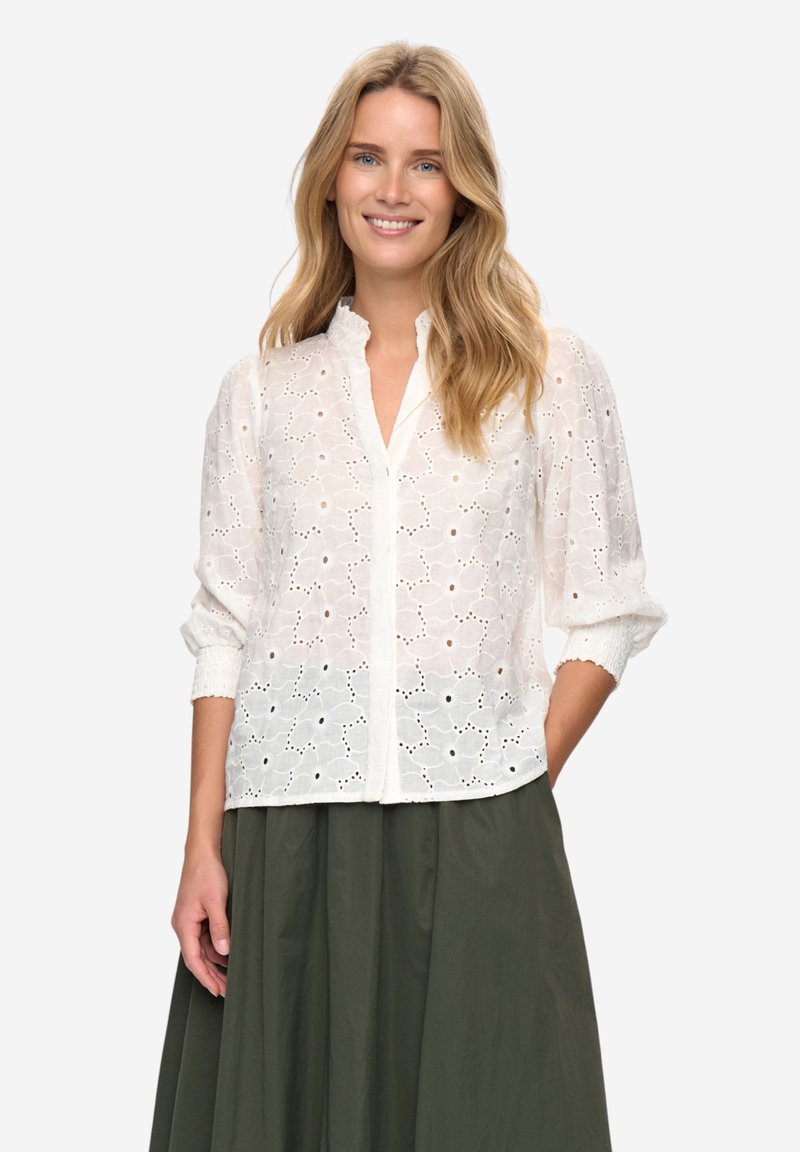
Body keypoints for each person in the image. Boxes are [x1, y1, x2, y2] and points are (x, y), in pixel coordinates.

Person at [148, 40, 666, 1152]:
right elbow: (223, 629)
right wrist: (200, 846)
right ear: (330, 179)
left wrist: (508, 772)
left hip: (481, 832)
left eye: (425, 163)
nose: (394, 189)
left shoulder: (546, 373)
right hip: (286, 842)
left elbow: (609, 610)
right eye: (368, 157)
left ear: (463, 188)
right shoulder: (260, 393)